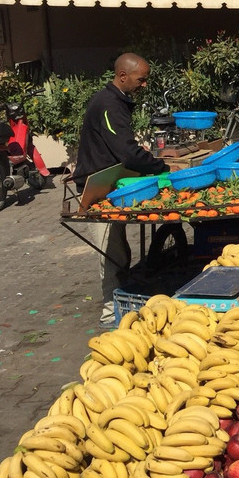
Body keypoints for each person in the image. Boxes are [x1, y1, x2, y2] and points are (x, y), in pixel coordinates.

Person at [73, 53, 170, 326]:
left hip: (112, 183)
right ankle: (110, 312)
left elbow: (121, 147)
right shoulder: (109, 105)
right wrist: (159, 167)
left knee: (118, 246)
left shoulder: (115, 101)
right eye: (141, 80)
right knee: (110, 251)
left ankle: (124, 296)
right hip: (96, 188)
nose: (144, 85)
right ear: (123, 76)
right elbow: (126, 153)